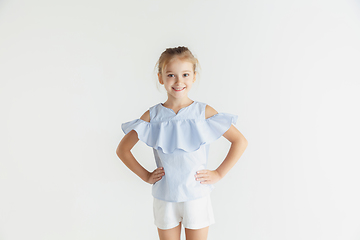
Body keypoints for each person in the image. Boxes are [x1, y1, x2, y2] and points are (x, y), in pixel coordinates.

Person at [116, 46, 248, 240]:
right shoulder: (153, 116)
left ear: (194, 76)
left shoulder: (202, 113)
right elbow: (123, 149)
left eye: (185, 74)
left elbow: (240, 141)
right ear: (161, 78)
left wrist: (219, 173)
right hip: (165, 196)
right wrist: (146, 176)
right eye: (171, 75)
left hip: (196, 194)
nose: (179, 81)